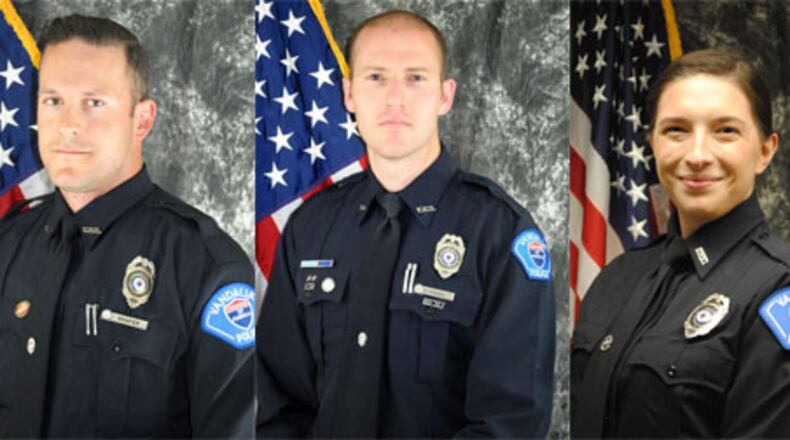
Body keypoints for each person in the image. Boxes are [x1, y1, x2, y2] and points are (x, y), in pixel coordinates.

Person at [256, 10, 555, 438]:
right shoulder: (310, 228)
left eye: (415, 78)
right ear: (349, 94)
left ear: (445, 95)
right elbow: (279, 405)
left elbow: (509, 422)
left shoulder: (500, 233)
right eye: (376, 77)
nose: (395, 98)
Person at [0, 15, 254, 438]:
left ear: (142, 120)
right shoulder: (8, 246)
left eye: (94, 102)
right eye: (53, 101)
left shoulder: (206, 268)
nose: (68, 124)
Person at [571, 49, 790, 438]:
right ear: (651, 142)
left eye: (726, 131)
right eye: (676, 130)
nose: (698, 155)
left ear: (765, 150)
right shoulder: (616, 279)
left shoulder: (779, 289)